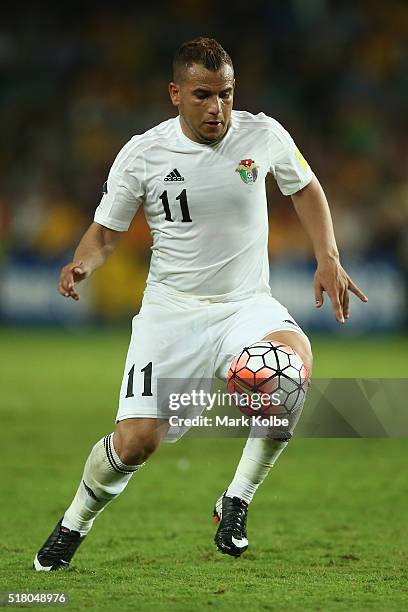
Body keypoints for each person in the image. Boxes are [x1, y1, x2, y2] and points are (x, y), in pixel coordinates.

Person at [33, 37, 367, 571]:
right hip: (172, 312)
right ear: (175, 94)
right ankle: (74, 522)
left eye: (226, 94)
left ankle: (236, 499)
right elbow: (105, 233)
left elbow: (305, 188)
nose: (217, 108)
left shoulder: (264, 134)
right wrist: (83, 264)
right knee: (137, 442)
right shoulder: (142, 154)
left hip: (245, 304)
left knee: (287, 373)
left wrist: (327, 255)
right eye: (203, 95)